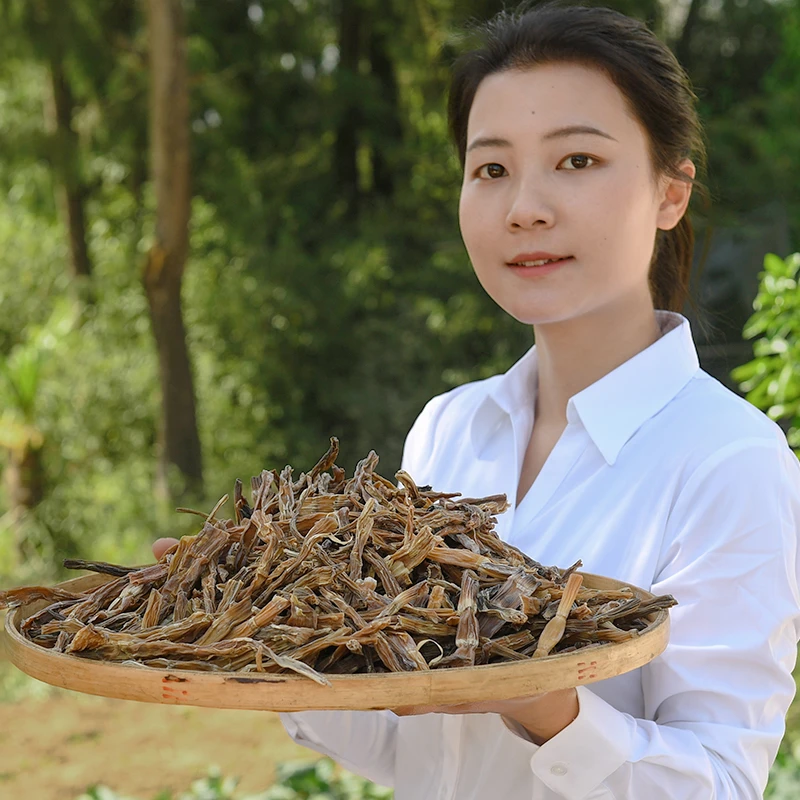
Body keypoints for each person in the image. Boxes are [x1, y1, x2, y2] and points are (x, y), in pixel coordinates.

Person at [155, 3, 800, 797]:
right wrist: (274, 627)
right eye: (491, 169)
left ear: (671, 194)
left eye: (577, 161)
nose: (524, 206)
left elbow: (722, 782)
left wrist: (545, 703)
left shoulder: (729, 460)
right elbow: (419, 755)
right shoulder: (449, 428)